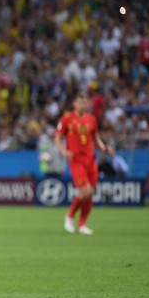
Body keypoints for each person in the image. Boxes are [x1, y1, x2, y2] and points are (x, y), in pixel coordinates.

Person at [55, 91, 113, 235]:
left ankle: (82, 224)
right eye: (80, 102)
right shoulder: (67, 119)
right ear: (74, 104)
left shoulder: (91, 119)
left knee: (91, 193)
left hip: (90, 159)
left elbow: (95, 139)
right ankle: (69, 217)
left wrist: (104, 148)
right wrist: (63, 150)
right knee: (85, 190)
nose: (83, 104)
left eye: (85, 102)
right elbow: (57, 138)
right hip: (76, 159)